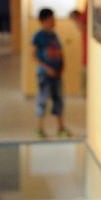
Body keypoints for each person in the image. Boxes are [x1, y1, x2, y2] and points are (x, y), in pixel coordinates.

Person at [32, 8, 70, 139]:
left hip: (57, 73)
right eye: (50, 20)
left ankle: (61, 127)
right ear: (43, 21)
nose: (53, 22)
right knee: (42, 100)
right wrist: (46, 68)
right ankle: (39, 129)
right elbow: (34, 56)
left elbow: (60, 51)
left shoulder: (54, 35)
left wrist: (62, 65)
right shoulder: (38, 36)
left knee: (58, 99)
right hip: (44, 74)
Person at [70, 0, 89, 93]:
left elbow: (84, 25)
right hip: (87, 53)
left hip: (89, 56)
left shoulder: (92, 0)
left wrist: (76, 19)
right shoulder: (89, 1)